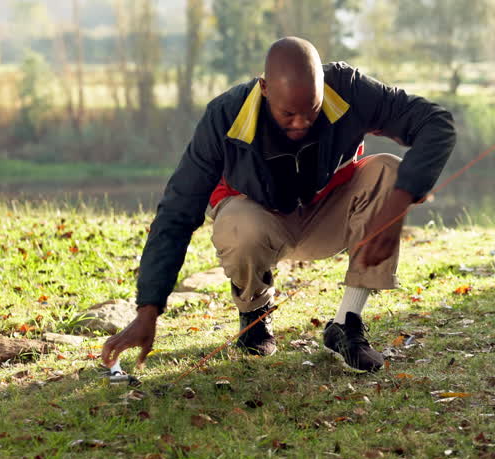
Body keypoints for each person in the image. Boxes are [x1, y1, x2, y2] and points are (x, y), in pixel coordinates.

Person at [101, 37, 456, 372]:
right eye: (289, 114)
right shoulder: (224, 117)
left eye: (312, 111)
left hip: (329, 216)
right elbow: (177, 212)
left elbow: (434, 122)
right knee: (239, 223)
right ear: (265, 88)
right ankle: (254, 318)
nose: (302, 122)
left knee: (389, 172)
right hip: (261, 223)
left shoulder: (348, 89)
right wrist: (148, 311)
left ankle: (346, 323)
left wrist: (396, 206)